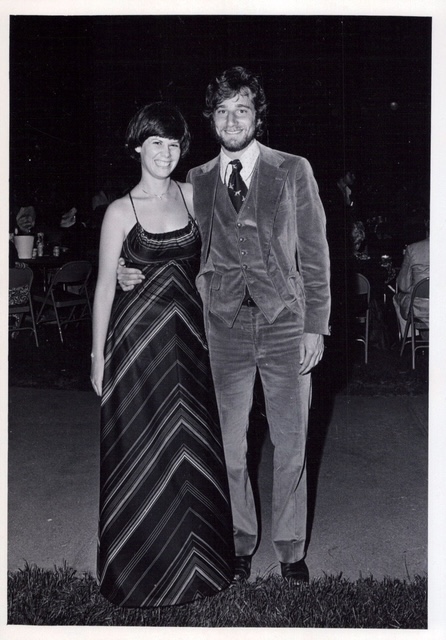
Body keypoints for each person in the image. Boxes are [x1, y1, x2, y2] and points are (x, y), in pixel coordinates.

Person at [118, 67, 331, 584]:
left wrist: (315, 327)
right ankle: (238, 542)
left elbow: (317, 252)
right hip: (223, 328)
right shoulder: (198, 180)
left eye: (242, 109)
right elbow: (167, 229)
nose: (232, 119)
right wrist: (130, 265)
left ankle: (289, 549)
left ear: (257, 115)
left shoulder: (292, 170)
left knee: (291, 442)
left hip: (286, 324)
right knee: (228, 445)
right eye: (222, 110)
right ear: (211, 120)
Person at [90, 102, 234, 608]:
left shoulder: (195, 196)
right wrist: (96, 359)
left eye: (174, 144)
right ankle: (137, 575)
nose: (166, 153)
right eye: (156, 143)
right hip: (137, 348)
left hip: (189, 344)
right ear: (137, 147)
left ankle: (203, 570)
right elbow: (106, 287)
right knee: (141, 455)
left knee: (193, 452)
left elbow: (212, 264)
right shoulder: (119, 212)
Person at [393, 235, 429, 338]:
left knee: (396, 298)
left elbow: (403, 286)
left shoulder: (412, 249)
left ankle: (411, 340)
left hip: (420, 308)